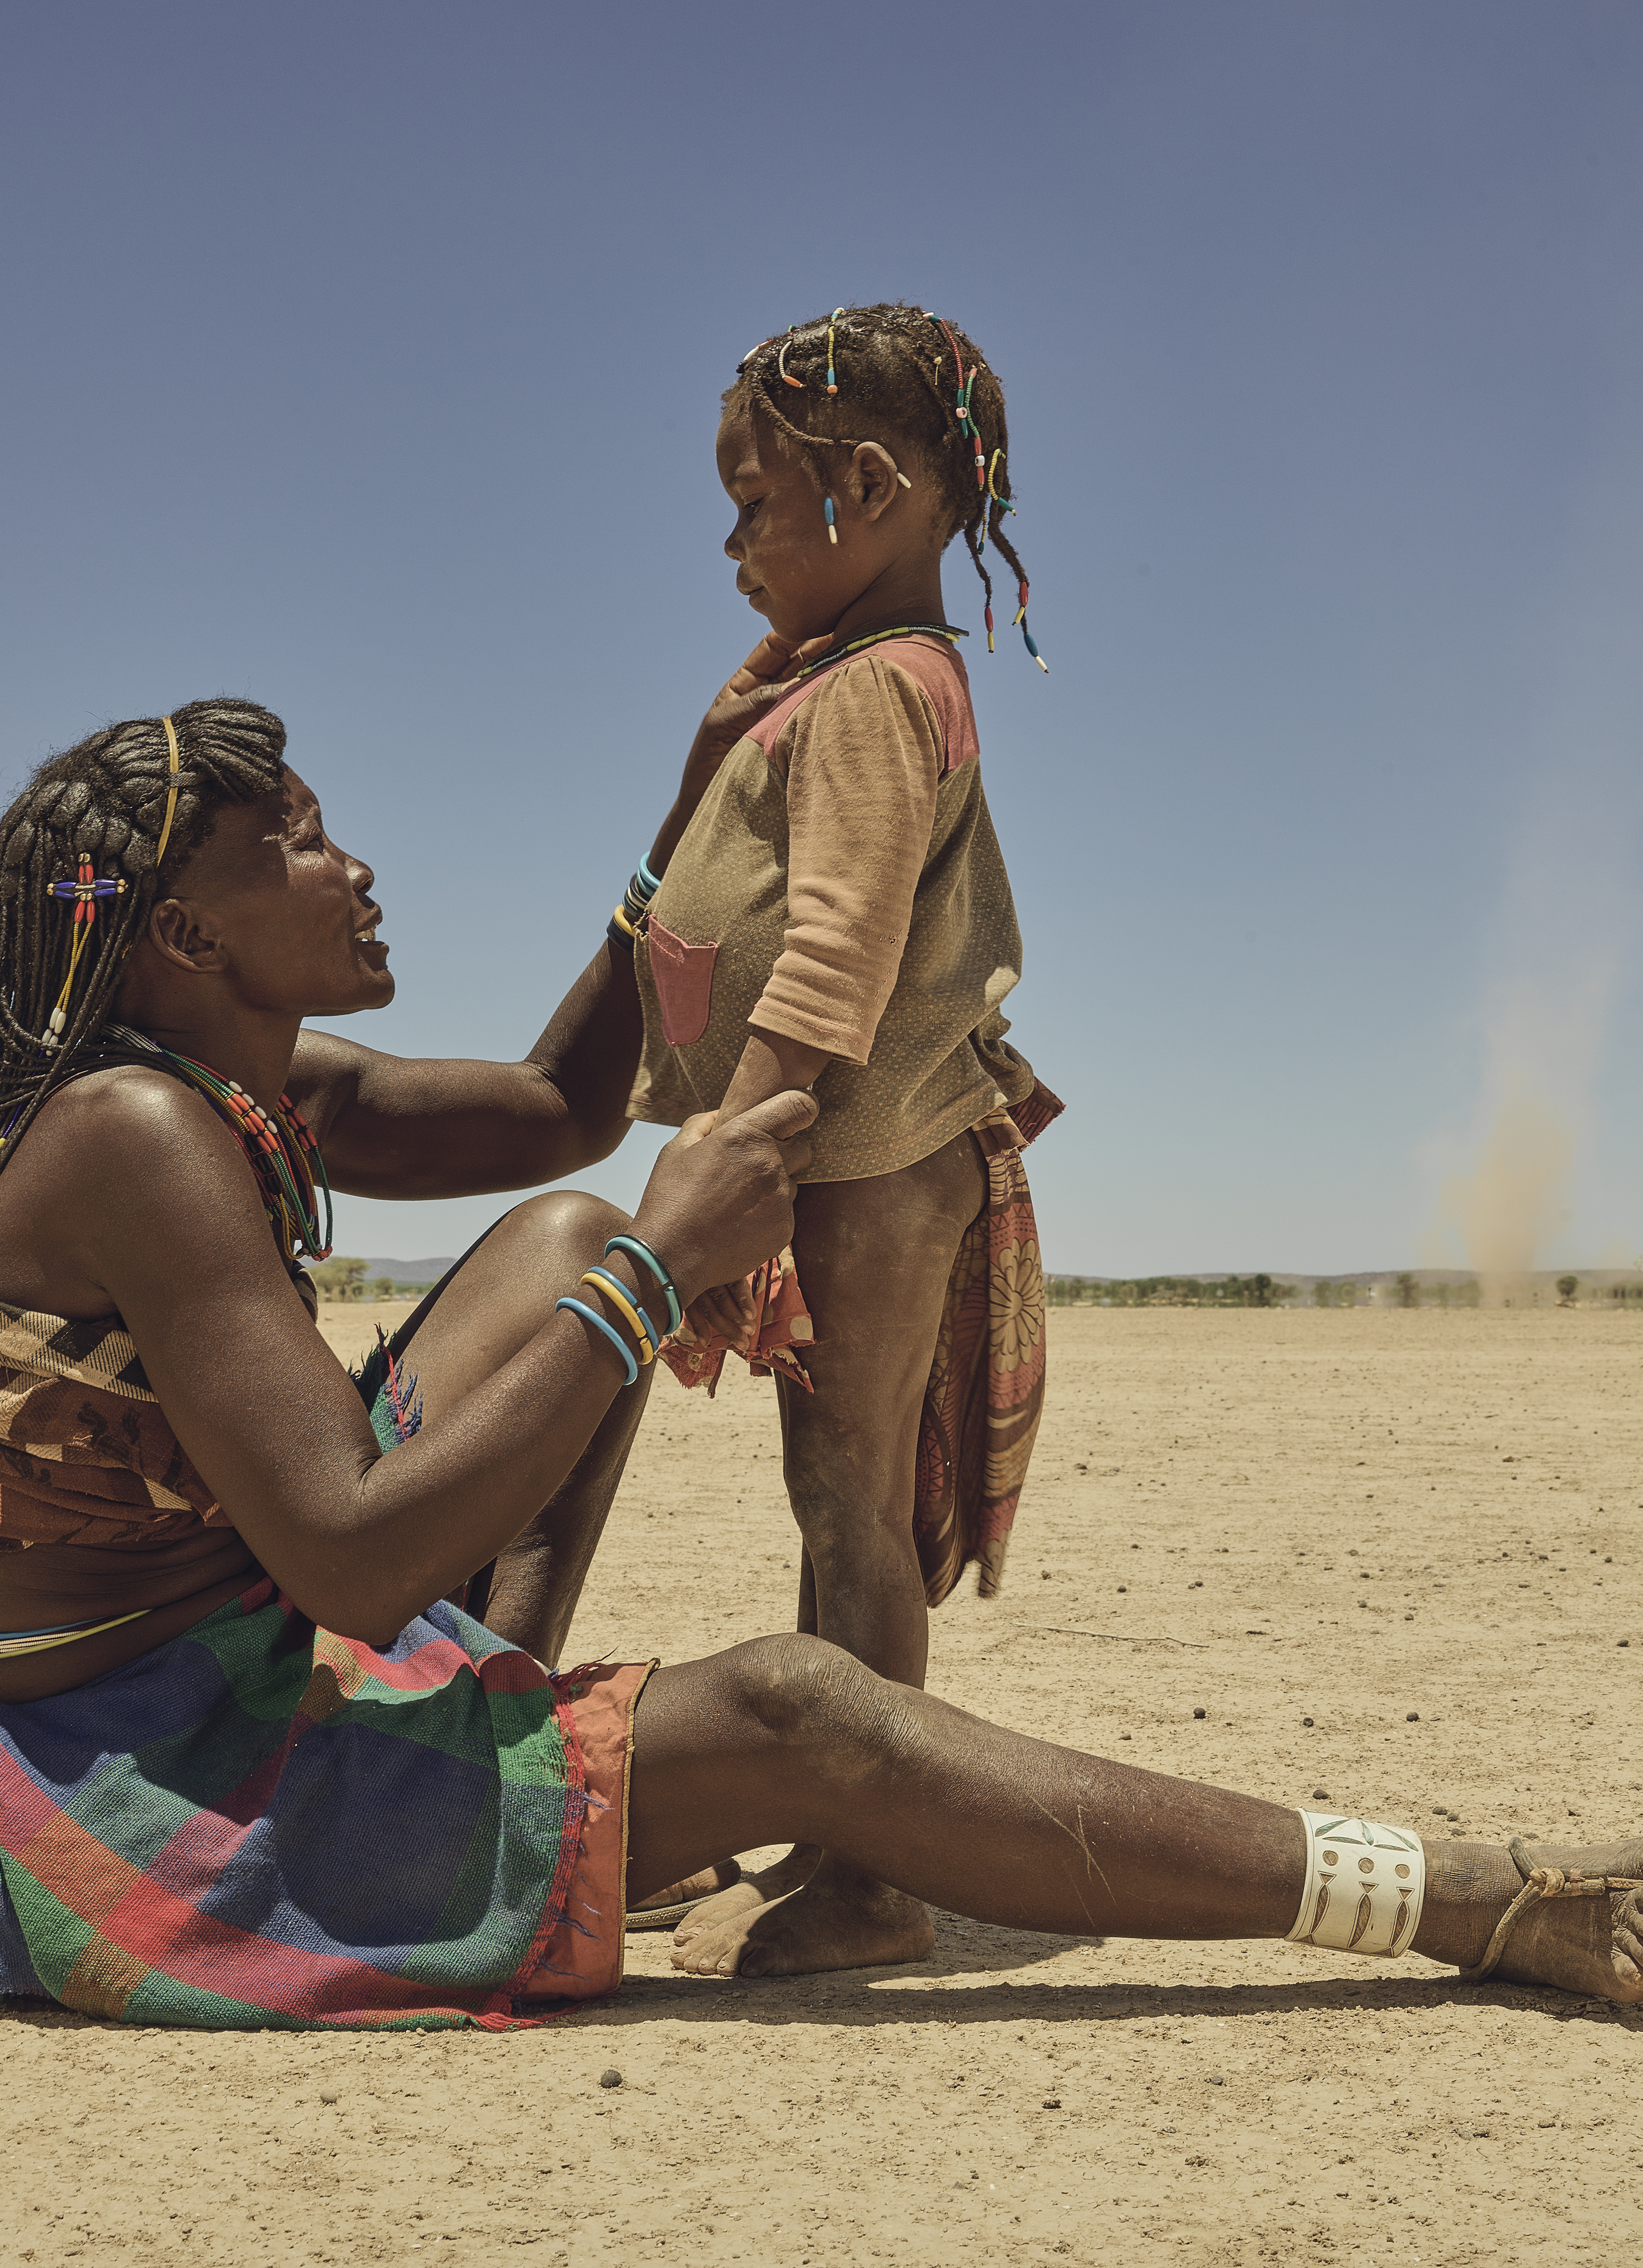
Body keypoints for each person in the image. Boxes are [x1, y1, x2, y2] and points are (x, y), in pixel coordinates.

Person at [0, 699, 1643, 2029]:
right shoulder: (139, 1133)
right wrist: (669, 1272)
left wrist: (679, 844)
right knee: (798, 1714)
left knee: (573, 1233)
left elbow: (557, 1107)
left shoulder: (246, 1084)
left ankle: (500, 1735)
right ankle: (1466, 1901)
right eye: (299, 843)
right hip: (130, 1787)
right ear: (186, 932)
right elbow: (346, 1560)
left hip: (214, 1670)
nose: (353, 865)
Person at [623, 304, 1063, 1977]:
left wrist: (731, 1152)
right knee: (832, 1497)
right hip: (837, 1161)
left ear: (863, 490)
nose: (730, 543)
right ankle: (836, 1830)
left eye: (752, 504)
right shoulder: (835, 684)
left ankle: (870, 1870)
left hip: (861, 1163)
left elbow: (835, 946)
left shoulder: (880, 691)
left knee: (851, 1504)